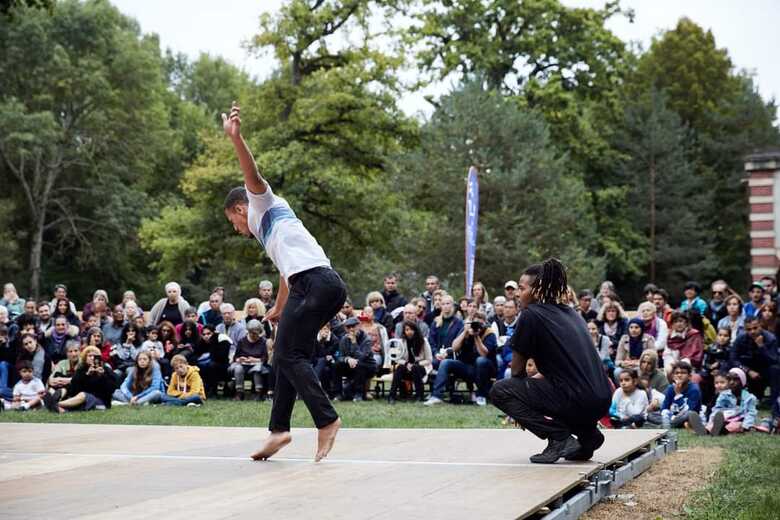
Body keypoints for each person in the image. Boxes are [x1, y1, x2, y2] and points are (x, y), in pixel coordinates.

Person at [221, 102, 346, 462]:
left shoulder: (260, 203)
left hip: (317, 283)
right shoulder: (271, 230)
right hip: (318, 283)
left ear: (240, 209)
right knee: (287, 356)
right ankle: (279, 431)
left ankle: (327, 420)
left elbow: (252, 174)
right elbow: (285, 272)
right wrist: (278, 306)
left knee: (288, 355)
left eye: (233, 222)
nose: (237, 229)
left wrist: (237, 139)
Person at [489, 259, 612, 464]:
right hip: (601, 399)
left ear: (537, 290)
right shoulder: (570, 312)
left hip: (577, 397)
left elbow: (517, 370)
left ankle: (559, 437)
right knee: (555, 393)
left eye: (521, 288)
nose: (517, 294)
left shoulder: (531, 315)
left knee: (500, 391)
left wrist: (523, 410)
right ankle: (587, 435)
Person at [424, 310, 497, 407]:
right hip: (467, 367)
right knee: (446, 362)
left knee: (480, 361)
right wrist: (465, 332)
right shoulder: (466, 330)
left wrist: (476, 337)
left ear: (484, 322)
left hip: (485, 370)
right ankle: (436, 396)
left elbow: (483, 353)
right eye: (475, 322)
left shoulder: (489, 333)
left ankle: (481, 395)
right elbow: (454, 347)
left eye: (480, 322)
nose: (477, 325)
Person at [44, 346, 117, 413]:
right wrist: (87, 375)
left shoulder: (106, 370)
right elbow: (74, 388)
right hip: (79, 399)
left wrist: (102, 376)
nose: (92, 358)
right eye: (90, 356)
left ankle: (55, 404)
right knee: (65, 389)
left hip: (100, 401)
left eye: (95, 356)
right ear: (85, 358)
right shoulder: (81, 370)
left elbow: (112, 388)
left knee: (83, 395)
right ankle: (59, 406)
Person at [689, 367, 757, 436]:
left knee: (735, 425)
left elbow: (751, 413)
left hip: (739, 420)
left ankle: (719, 431)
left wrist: (746, 426)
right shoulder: (724, 395)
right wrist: (711, 421)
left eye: (735, 380)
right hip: (723, 419)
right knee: (714, 423)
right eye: (729, 379)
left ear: (742, 381)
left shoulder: (749, 398)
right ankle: (705, 430)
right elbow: (717, 409)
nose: (732, 382)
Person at [729, 316, 780, 404]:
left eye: (755, 328)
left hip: (765, 368)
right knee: (733, 371)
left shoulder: (771, 338)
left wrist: (761, 347)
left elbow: (774, 360)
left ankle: (775, 407)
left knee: (775, 369)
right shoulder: (740, 338)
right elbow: (733, 359)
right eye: (749, 329)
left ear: (760, 325)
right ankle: (734, 401)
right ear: (745, 329)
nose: (752, 331)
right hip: (748, 368)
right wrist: (748, 370)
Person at [387, 321, 433, 403]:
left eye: (411, 329)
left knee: (415, 368)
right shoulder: (401, 342)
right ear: (404, 331)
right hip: (407, 367)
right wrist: (406, 364)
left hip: (421, 368)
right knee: (400, 368)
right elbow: (397, 358)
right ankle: (392, 396)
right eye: (407, 330)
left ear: (415, 330)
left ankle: (420, 396)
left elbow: (429, 359)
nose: (409, 332)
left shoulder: (424, 341)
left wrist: (416, 364)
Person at [333, 317, 375, 401]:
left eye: (353, 326)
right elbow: (339, 356)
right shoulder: (344, 339)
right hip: (350, 365)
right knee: (336, 365)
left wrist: (354, 342)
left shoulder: (367, 339)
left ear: (359, 326)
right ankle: (338, 394)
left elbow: (362, 357)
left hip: (367, 366)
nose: (351, 329)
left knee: (359, 365)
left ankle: (358, 394)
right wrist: (347, 359)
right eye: (348, 327)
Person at [229, 319, 271, 401]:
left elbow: (265, 358)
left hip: (257, 364)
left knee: (257, 369)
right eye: (251, 333)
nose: (253, 335)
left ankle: (259, 393)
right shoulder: (242, 341)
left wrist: (255, 360)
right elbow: (236, 357)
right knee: (238, 368)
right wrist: (240, 359)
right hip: (243, 364)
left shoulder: (263, 341)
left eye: (256, 333)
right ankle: (239, 393)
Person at [660, 361, 701, 429]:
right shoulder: (671, 388)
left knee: (690, 414)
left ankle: (668, 425)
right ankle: (671, 424)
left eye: (683, 373)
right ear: (673, 376)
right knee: (657, 413)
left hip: (688, 417)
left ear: (689, 376)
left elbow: (690, 410)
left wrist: (678, 394)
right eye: (677, 373)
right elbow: (664, 408)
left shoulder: (694, 389)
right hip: (673, 416)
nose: (679, 375)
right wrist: (672, 416)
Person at [193, 324, 231, 396]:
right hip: (207, 365)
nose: (206, 336)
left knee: (211, 365)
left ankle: (212, 389)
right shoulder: (201, 342)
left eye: (208, 334)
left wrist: (213, 342)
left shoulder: (222, 339)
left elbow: (222, 357)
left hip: (222, 365)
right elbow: (195, 355)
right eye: (204, 334)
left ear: (214, 333)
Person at [494, 299, 520, 380]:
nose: (507, 310)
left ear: (516, 310)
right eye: (506, 307)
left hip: (516, 353)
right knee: (498, 359)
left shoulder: (521, 323)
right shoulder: (496, 324)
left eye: (510, 307)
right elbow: (495, 343)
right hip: (500, 353)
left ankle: (499, 383)